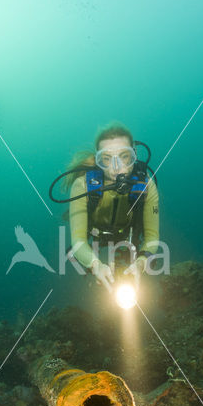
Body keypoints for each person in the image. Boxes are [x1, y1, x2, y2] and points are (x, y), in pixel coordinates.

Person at [66, 123, 159, 293]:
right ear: (98, 161)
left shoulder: (147, 186)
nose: (116, 168)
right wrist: (96, 265)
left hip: (129, 234)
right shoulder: (82, 186)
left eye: (125, 156)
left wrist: (141, 263)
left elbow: (152, 237)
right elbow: (78, 241)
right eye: (107, 159)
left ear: (135, 155)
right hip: (96, 234)